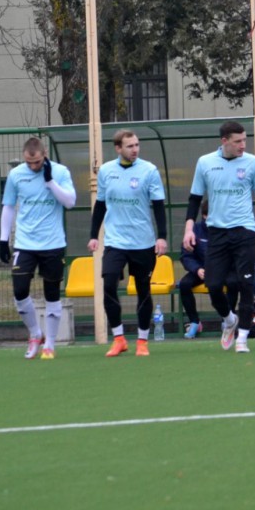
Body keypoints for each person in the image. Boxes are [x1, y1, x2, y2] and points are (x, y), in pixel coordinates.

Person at [183, 120, 255, 355]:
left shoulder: (252, 163)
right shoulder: (205, 163)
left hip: (245, 231)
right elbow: (195, 199)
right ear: (224, 141)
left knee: (246, 284)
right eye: (238, 141)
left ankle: (242, 339)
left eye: (245, 140)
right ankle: (229, 320)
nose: (243, 145)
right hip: (217, 233)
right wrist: (189, 229)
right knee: (214, 285)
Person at [88, 130, 169, 357]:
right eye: (130, 146)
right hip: (115, 241)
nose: (135, 149)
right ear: (118, 148)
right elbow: (100, 205)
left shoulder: (149, 170)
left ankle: (142, 341)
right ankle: (119, 339)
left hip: (142, 242)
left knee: (143, 290)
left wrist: (161, 236)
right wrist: (93, 235)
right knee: (109, 284)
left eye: (137, 145)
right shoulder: (106, 171)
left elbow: (159, 206)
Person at [0, 137, 77, 360]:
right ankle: (35, 333)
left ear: (45, 155)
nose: (33, 166)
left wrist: (50, 182)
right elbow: (8, 206)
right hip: (25, 243)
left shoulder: (60, 172)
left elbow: (70, 202)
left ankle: (50, 343)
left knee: (52, 294)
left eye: (37, 162)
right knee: (19, 290)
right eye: (29, 162)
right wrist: (3, 239)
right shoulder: (16, 175)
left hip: (53, 243)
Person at [177, 205, 211, 338]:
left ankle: (227, 321)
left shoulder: (224, 230)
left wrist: (217, 269)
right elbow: (186, 256)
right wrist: (197, 269)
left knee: (233, 283)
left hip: (219, 271)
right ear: (204, 215)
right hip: (199, 270)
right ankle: (195, 322)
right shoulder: (195, 230)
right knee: (184, 284)